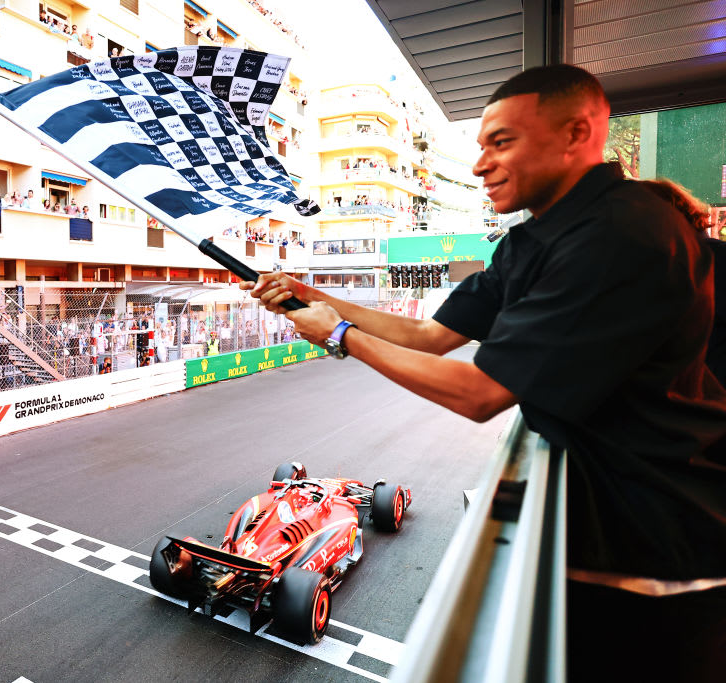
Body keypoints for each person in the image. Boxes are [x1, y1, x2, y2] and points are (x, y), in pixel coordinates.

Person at [242, 64, 726, 683]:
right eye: (480, 147)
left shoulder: (619, 233)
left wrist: (339, 336)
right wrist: (312, 296)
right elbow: (428, 336)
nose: (479, 165)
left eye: (502, 142)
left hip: (662, 556)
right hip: (604, 534)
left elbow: (481, 393)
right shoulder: (532, 241)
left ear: (578, 133)